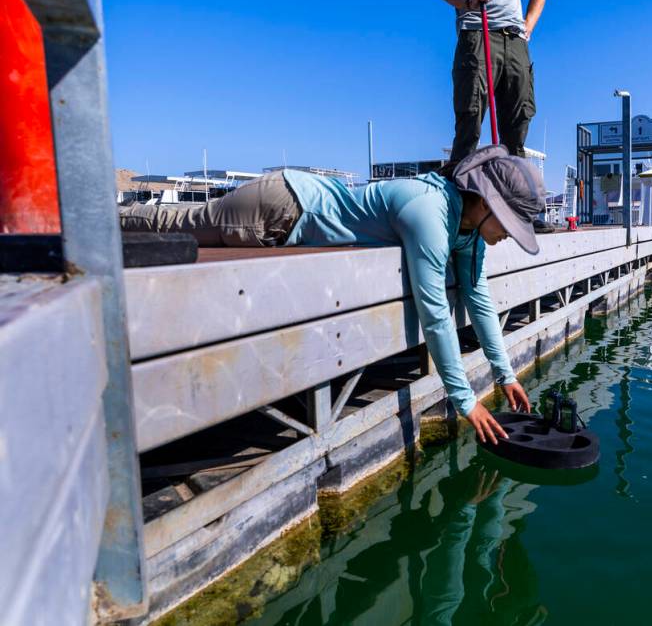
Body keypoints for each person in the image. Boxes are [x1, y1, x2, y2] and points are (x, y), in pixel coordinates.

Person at [119, 145, 546, 443]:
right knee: (173, 223)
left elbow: (477, 296)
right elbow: (434, 311)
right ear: (486, 204)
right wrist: (466, 401)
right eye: (509, 226)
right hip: (281, 209)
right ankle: (103, 218)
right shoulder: (429, 212)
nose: (508, 237)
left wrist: (504, 373)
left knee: (176, 222)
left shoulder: (466, 232)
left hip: (294, 213)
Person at [440, 0, 546, 164]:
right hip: (478, 32)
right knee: (470, 118)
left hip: (515, 40)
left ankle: (511, 185)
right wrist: (469, 0)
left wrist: (528, 25)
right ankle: (459, 188)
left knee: (519, 119)